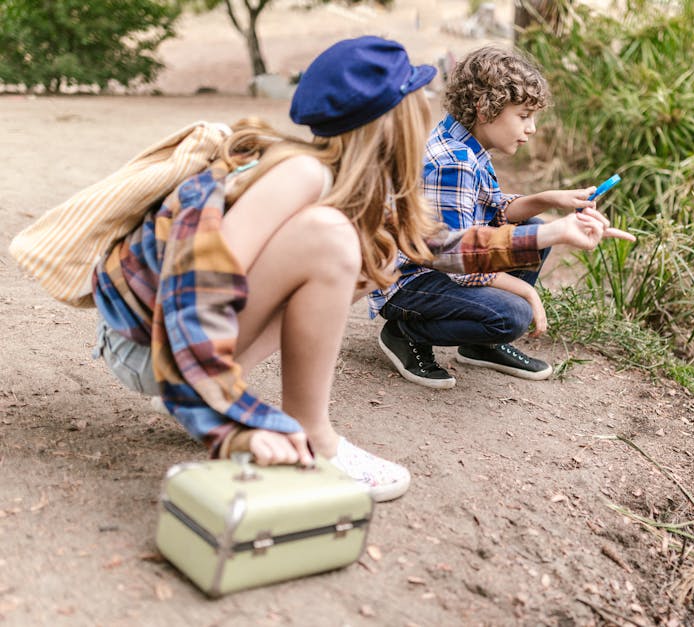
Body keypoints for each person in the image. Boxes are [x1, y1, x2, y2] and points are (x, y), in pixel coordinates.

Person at [91, 36, 632, 503]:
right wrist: (229, 423)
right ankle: (310, 434)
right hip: (151, 347)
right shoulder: (301, 172)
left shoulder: (361, 183)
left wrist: (553, 230)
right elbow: (198, 289)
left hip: (172, 345)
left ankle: (265, 408)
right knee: (335, 241)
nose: (429, 104)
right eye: (416, 95)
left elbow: (437, 245)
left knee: (367, 253)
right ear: (389, 118)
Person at [371, 45, 618, 389]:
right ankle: (405, 331)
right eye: (523, 116)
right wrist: (526, 293)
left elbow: (494, 210)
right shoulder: (453, 162)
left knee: (531, 227)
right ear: (485, 109)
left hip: (442, 261)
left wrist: (546, 199)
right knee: (513, 313)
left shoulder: (465, 143)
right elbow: (457, 260)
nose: (531, 128)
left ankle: (479, 344)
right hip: (411, 282)